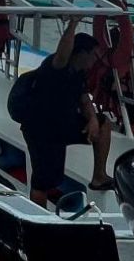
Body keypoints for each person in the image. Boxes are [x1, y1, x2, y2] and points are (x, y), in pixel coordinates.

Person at [7, 16, 115, 205]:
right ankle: (39, 220)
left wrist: (92, 120)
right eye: (94, 55)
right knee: (44, 181)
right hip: (41, 129)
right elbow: (63, 51)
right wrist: (72, 24)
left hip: (63, 124)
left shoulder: (79, 73)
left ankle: (99, 176)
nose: (96, 59)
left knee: (104, 123)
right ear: (81, 53)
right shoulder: (57, 67)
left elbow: (84, 99)